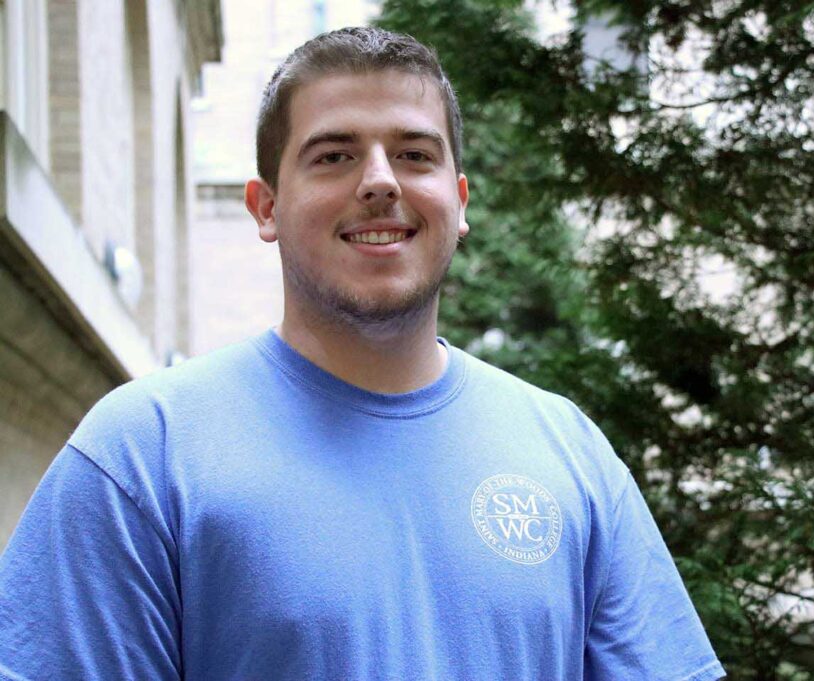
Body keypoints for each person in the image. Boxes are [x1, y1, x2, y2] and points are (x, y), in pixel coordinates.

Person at [0, 27, 725, 681]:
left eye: (414, 154)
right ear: (266, 206)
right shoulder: (142, 456)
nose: (380, 181)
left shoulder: (569, 450)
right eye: (334, 155)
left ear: (460, 200)